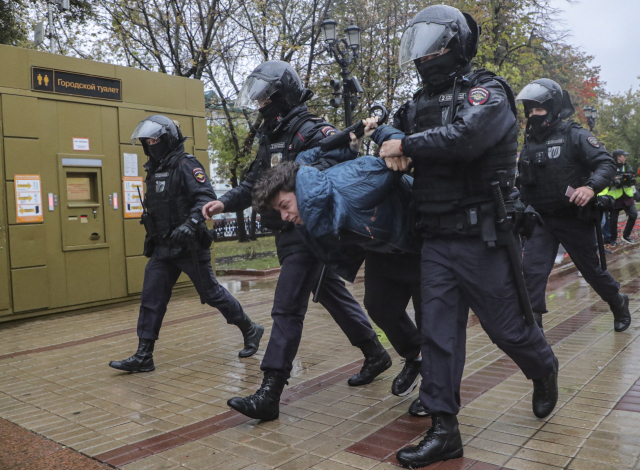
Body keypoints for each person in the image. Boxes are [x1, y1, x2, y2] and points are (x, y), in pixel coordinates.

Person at [377, 6, 559, 468]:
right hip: (435, 238)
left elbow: (466, 138)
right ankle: (444, 430)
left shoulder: (487, 90)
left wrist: (406, 145)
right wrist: (391, 136)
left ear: (455, 44)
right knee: (439, 334)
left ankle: (543, 367)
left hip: (482, 237)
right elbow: (384, 127)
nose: (424, 54)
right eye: (420, 44)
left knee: (507, 330)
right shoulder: (418, 100)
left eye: (433, 43)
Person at [202, 61, 389, 422]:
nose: (259, 105)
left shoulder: (312, 130)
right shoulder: (269, 136)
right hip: (284, 231)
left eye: (264, 98)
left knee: (287, 306)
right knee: (329, 292)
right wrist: (225, 201)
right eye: (256, 100)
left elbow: (340, 163)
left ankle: (270, 392)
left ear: (282, 94)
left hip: (309, 229)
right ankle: (375, 353)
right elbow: (257, 183)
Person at [253, 121, 426, 412]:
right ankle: (416, 357)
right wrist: (347, 137)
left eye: (284, 206)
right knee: (379, 306)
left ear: (297, 190)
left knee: (432, 318)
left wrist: (380, 132)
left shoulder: (357, 180)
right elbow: (309, 156)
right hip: (383, 249)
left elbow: (395, 156)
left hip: (418, 243)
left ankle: (435, 387)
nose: (283, 216)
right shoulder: (306, 184)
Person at [109, 115, 263, 373]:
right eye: (147, 141)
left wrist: (191, 223)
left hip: (188, 245)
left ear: (168, 139)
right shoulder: (155, 168)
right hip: (162, 247)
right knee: (151, 298)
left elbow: (205, 196)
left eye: (155, 139)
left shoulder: (186, 164)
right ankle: (144, 355)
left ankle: (250, 329)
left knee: (211, 293)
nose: (150, 144)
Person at [516, 79, 631, 333]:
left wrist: (590, 187)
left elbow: (606, 164)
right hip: (541, 219)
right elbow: (523, 182)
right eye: (530, 110)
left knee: (592, 271)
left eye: (539, 110)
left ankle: (617, 301)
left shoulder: (574, 134)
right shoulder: (528, 144)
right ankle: (534, 332)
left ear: (554, 108)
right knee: (531, 274)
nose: (534, 116)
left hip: (573, 218)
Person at [605, 150, 637, 245]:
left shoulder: (626, 166)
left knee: (634, 214)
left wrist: (630, 179)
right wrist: (615, 181)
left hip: (627, 196)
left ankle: (626, 235)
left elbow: (632, 176)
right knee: (613, 221)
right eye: (624, 156)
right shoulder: (610, 167)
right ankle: (613, 239)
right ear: (618, 157)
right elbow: (606, 180)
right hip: (615, 198)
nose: (625, 157)